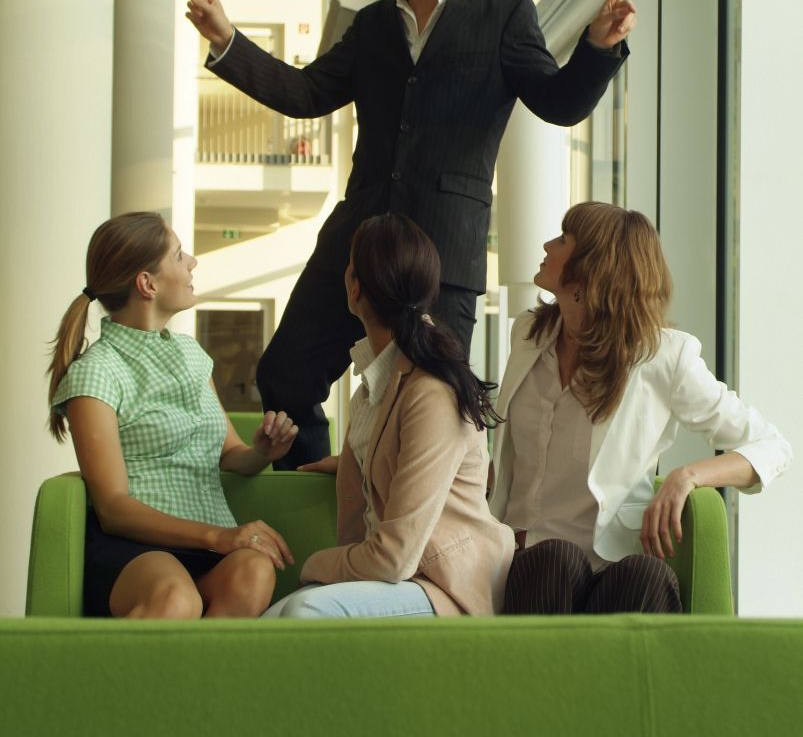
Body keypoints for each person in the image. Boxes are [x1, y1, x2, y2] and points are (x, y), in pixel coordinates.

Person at [184, 0, 643, 469]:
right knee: (286, 375)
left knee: (435, 401)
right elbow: (305, 94)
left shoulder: (503, 15)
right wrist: (226, 39)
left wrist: (599, 47)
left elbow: (558, 103)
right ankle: (316, 498)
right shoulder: (373, 23)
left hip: (443, 247)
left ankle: (419, 523)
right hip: (358, 239)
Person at [490, 202, 791, 614]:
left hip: (611, 571)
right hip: (533, 568)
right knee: (556, 559)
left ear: (591, 266)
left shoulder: (661, 356)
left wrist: (687, 476)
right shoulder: (527, 333)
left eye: (562, 239)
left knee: (648, 576)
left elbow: (772, 446)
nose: (547, 245)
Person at [48, 212, 297, 619]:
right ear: (147, 284)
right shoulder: (96, 372)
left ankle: (195, 665)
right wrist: (219, 536)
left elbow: (230, 453)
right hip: (135, 550)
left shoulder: (192, 354)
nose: (193, 262)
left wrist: (261, 453)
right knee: (176, 598)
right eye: (179, 255)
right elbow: (112, 508)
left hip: (209, 544)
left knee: (255, 570)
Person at [264, 213, 514, 619]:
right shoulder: (373, 384)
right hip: (398, 579)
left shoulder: (432, 392)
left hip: (447, 586)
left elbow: (394, 557)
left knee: (305, 610)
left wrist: (312, 564)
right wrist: (358, 463)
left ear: (354, 286)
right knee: (266, 622)